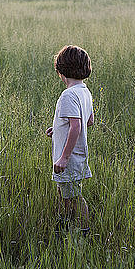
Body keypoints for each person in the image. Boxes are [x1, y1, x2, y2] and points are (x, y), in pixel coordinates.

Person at [46, 45, 94, 236]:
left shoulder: (68, 95)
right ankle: (63, 226)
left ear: (60, 71)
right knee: (65, 193)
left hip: (69, 159)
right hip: (78, 156)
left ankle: (83, 231)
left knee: (74, 196)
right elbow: (89, 120)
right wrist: (58, 128)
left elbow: (77, 127)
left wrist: (64, 158)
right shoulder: (84, 91)